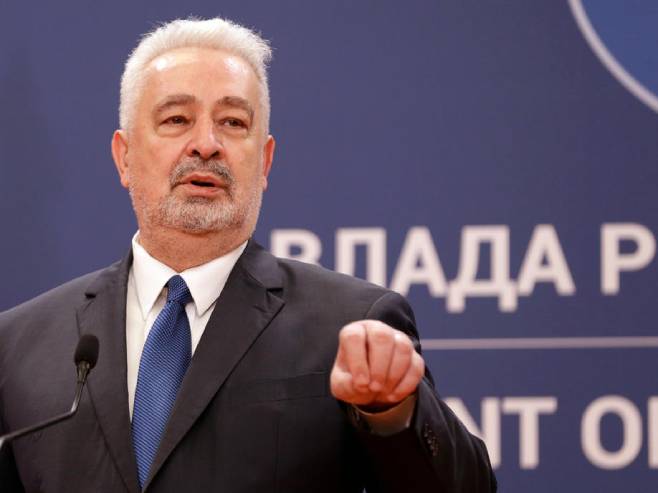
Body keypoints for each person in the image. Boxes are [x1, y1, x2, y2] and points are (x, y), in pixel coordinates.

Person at [0, 17, 496, 492]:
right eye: (177, 119)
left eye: (233, 122)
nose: (206, 144)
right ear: (124, 157)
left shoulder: (349, 325)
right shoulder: (20, 344)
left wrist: (391, 413)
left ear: (265, 162)